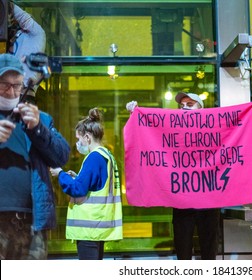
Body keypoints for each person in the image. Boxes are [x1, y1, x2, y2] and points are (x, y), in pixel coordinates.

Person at [127, 92, 220, 259]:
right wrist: (135, 114)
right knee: (182, 250)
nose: (184, 107)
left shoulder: (214, 127)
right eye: (182, 105)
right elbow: (149, 131)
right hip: (182, 202)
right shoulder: (171, 130)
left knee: (209, 251)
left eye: (190, 104)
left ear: (201, 108)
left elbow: (237, 127)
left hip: (208, 201)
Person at [0, 53, 70, 259]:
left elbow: (61, 156)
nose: (11, 91)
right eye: (5, 84)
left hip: (33, 222)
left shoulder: (40, 118)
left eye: (17, 85)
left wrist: (38, 128)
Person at [50, 107, 123, 260]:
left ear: (88, 137)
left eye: (79, 138)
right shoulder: (106, 155)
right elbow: (95, 184)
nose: (78, 142)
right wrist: (77, 177)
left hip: (89, 229)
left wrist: (60, 174)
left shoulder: (93, 158)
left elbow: (78, 189)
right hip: (97, 227)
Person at [7, 3, 46, 100]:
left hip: (23, 96)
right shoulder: (15, 41)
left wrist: (7, 4)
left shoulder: (37, 34)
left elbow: (22, 17)